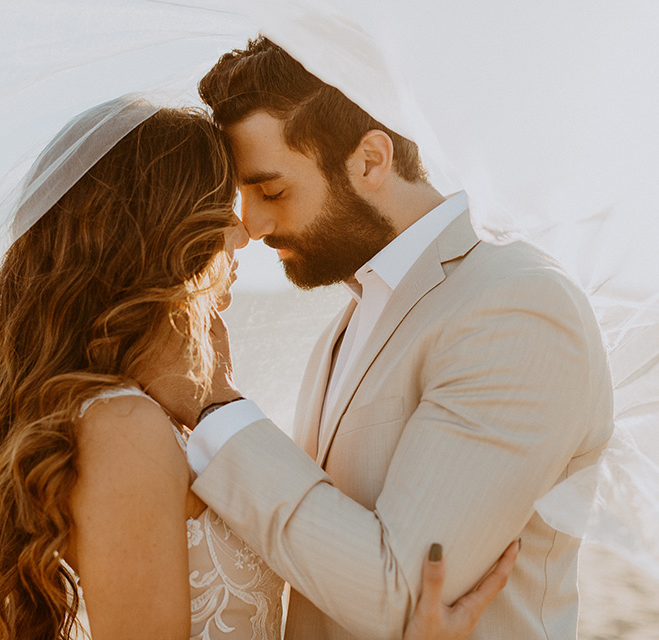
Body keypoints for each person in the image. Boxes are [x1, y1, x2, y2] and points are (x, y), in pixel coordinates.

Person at [0, 100, 517, 640]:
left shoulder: (143, 412)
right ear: (163, 231)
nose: (245, 234)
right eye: (223, 205)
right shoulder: (125, 426)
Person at [177, 37, 615, 639]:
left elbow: (398, 595)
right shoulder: (349, 322)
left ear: (370, 160)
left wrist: (215, 409)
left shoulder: (515, 306)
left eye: (271, 190)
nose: (250, 225)